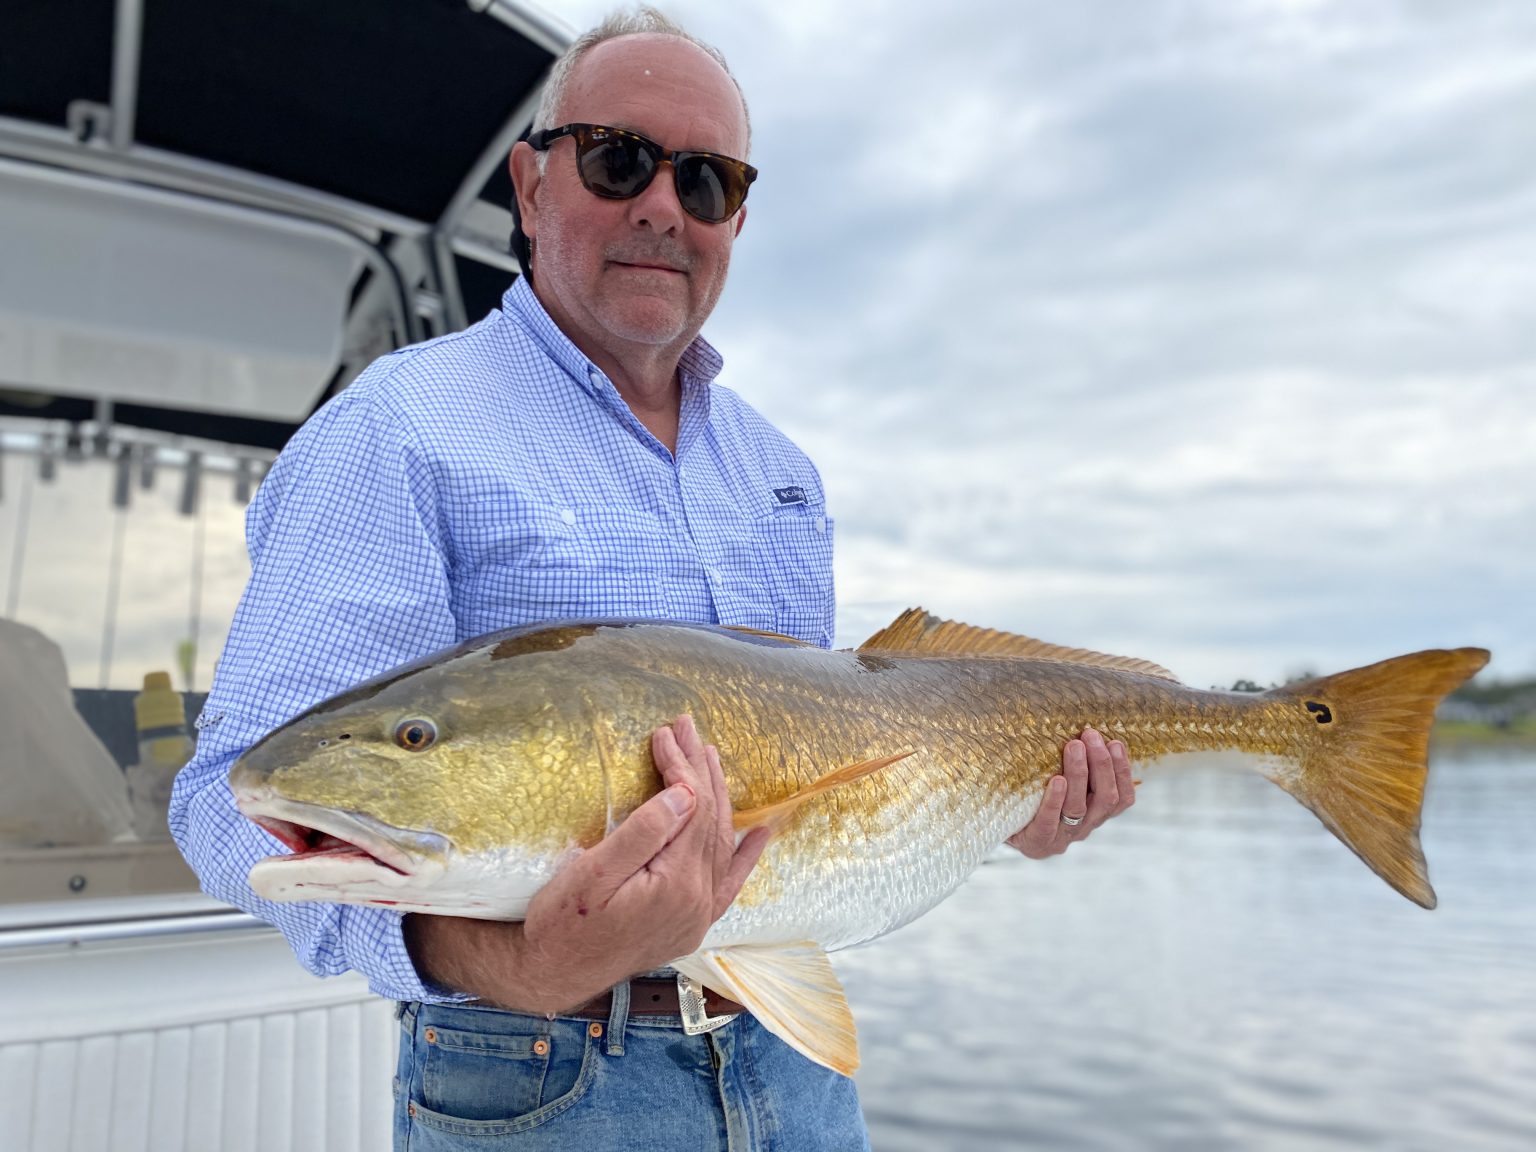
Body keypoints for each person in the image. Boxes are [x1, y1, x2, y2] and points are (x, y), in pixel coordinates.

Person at [170, 9, 1135, 1150]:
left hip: (795, 1071)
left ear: (735, 219)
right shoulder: (394, 430)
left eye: (709, 182)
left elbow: (840, 770)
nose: (663, 208)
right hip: (536, 1080)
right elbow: (229, 795)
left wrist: (1004, 804)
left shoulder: (780, 473)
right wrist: (518, 964)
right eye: (618, 159)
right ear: (531, 187)